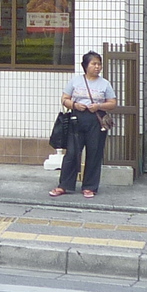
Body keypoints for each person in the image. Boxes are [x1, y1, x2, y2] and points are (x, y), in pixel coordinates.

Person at [49, 51, 117, 199]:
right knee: (72, 153)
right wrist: (74, 105)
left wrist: (99, 106)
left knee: (94, 153)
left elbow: (112, 103)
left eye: (99, 64)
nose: (97, 67)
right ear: (85, 65)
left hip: (96, 120)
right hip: (77, 119)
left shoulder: (105, 83)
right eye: (94, 64)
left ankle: (89, 187)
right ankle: (64, 185)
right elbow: (64, 99)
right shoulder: (75, 81)